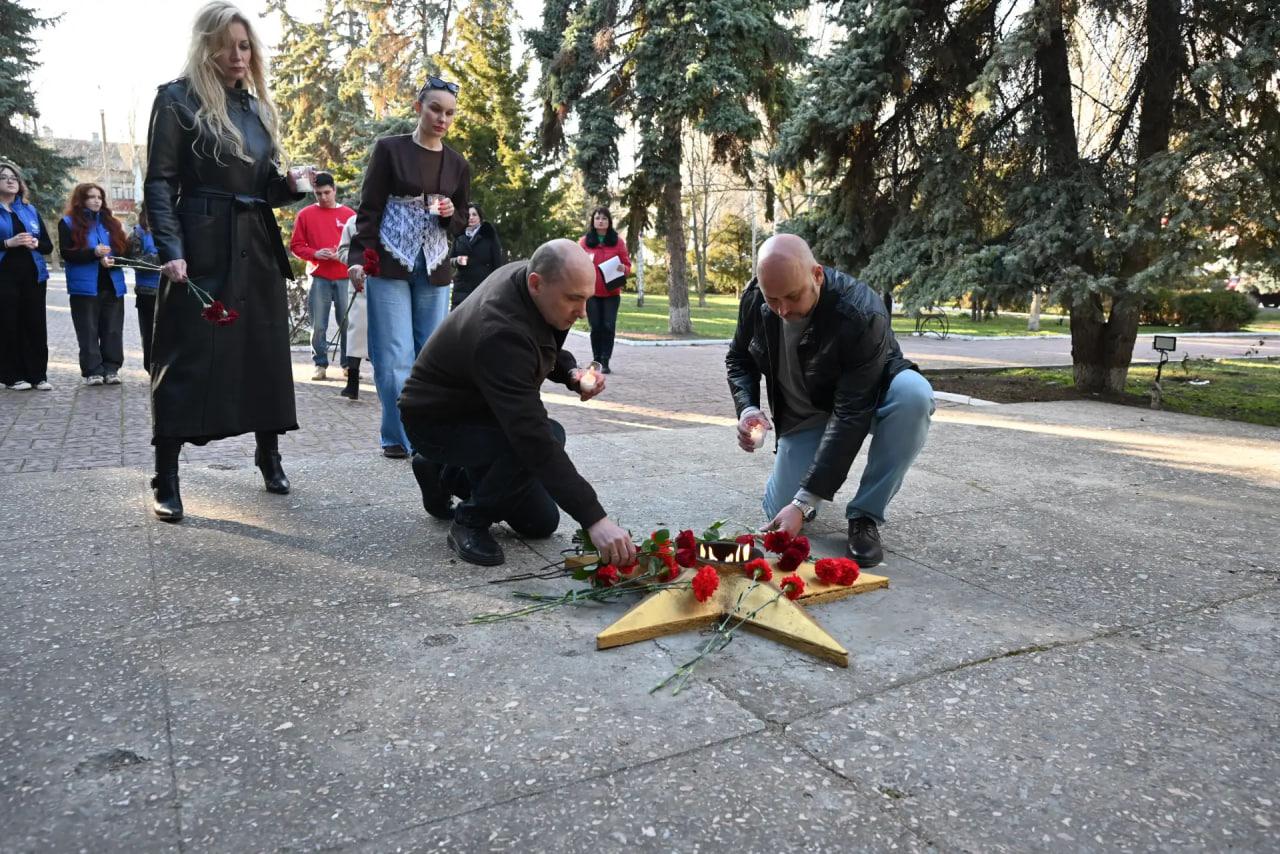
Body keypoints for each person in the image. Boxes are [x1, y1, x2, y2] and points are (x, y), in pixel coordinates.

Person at [142, 0, 306, 522]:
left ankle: (269, 453)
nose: (238, 55)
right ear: (206, 44)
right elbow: (160, 182)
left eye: (245, 45)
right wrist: (172, 250)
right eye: (228, 44)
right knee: (188, 355)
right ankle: (165, 472)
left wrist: (288, 187)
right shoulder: (176, 100)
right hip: (202, 242)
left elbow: (261, 188)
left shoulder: (254, 108)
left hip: (255, 243)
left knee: (263, 352)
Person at [399, 239, 637, 569]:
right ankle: (468, 520)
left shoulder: (528, 281)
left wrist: (570, 372)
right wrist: (595, 519)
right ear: (537, 283)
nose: (583, 312)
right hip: (438, 421)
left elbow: (540, 343)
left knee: (540, 523)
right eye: (574, 299)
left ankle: (440, 472)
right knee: (543, 439)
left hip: (480, 407)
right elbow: (532, 437)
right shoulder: (499, 331)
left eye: (587, 299)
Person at [725, 234, 934, 567]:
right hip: (805, 413)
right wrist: (748, 407)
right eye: (772, 299)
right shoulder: (754, 299)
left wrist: (807, 500)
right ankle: (807, 487)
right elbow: (738, 358)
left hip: (868, 396)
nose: (782, 310)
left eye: (792, 297)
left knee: (915, 396)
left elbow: (851, 412)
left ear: (817, 275)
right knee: (779, 507)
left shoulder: (860, 311)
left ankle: (865, 515)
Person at [347, 76, 471, 459]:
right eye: (435, 109)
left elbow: (463, 219)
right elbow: (369, 208)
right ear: (419, 107)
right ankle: (399, 436)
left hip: (434, 268)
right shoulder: (389, 150)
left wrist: (451, 214)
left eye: (449, 113)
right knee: (393, 354)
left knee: (430, 355)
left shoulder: (457, 164)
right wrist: (357, 258)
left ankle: (425, 433)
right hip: (389, 261)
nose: (442, 118)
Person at [58, 182, 128, 385]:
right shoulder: (68, 222)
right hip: (84, 287)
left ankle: (111, 368)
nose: (97, 200)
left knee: (113, 329)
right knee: (88, 330)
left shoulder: (112, 223)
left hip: (112, 284)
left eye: (99, 197)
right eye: (91, 197)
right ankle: (92, 371)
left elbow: (124, 251)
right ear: (81, 199)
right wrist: (93, 253)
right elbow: (66, 253)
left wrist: (115, 259)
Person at [289, 171, 355, 382]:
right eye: (318, 194)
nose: (323, 197)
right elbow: (296, 246)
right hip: (319, 276)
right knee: (318, 324)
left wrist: (343, 254)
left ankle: (348, 364)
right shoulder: (306, 214)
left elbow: (359, 245)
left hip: (344, 275)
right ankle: (320, 364)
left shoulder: (349, 215)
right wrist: (315, 254)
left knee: (347, 322)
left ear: (334, 190)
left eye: (327, 192)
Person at [0, 161, 53, 391]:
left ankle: (38, 375)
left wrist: (35, 243)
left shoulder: (29, 210)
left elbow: (48, 246)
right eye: (3, 177)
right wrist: (6, 243)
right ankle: (12, 376)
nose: (10, 180)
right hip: (4, 276)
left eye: (13, 177)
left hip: (33, 276)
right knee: (8, 324)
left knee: (35, 324)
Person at [577, 206, 631, 374]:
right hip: (592, 292)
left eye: (604, 218)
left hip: (611, 292)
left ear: (609, 222)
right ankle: (596, 360)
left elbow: (627, 264)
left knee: (608, 326)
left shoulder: (618, 241)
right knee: (596, 326)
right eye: (597, 218)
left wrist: (624, 269)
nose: (600, 221)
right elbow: (576, 263)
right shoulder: (584, 242)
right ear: (593, 221)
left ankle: (605, 360)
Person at [449, 202, 503, 308]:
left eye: (474, 214)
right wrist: (457, 260)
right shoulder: (459, 236)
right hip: (461, 287)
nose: (471, 218)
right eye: (468, 215)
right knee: (459, 321)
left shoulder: (489, 235)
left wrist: (495, 284)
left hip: (483, 285)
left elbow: (497, 262)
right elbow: (449, 260)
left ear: (480, 217)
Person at [129, 203, 162, 373]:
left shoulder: (169, 232)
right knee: (149, 333)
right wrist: (161, 258)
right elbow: (135, 262)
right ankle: (151, 368)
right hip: (147, 292)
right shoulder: (137, 233)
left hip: (170, 290)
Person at [335, 212, 365, 400]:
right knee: (356, 332)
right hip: (359, 284)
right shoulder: (353, 222)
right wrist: (356, 263)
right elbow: (342, 251)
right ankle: (352, 383)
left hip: (386, 281)